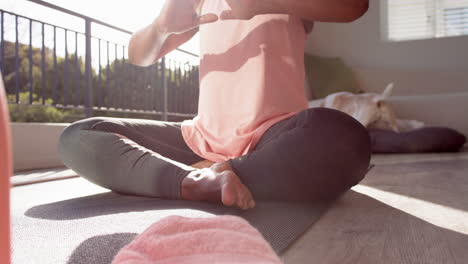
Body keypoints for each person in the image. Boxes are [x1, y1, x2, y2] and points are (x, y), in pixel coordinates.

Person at [58, 0, 371, 210]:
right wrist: (160, 27)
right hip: (201, 139)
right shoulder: (201, 2)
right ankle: (196, 182)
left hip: (276, 136)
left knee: (346, 138)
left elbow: (355, 6)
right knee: (80, 137)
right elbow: (139, 56)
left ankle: (224, 174)